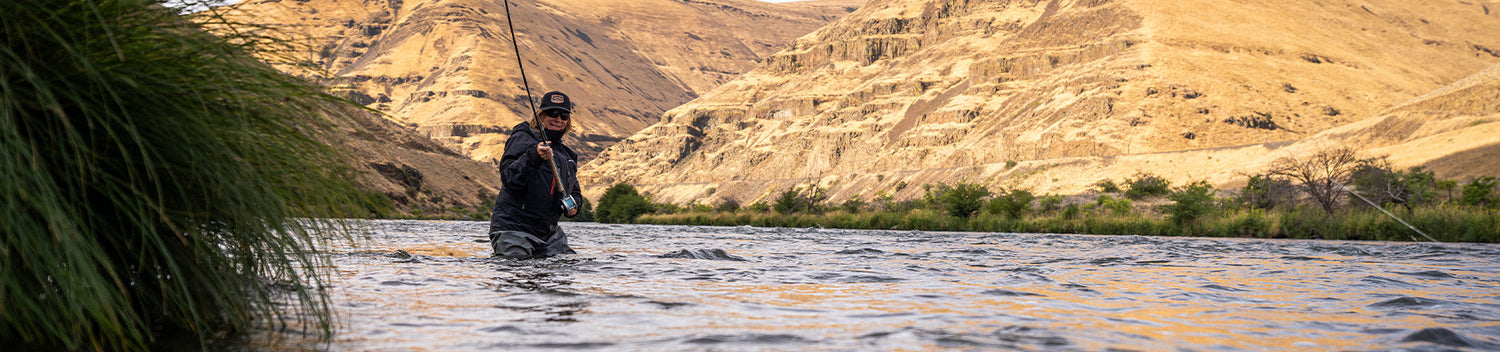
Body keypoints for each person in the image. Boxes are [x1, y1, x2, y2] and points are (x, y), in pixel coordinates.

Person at [489, 91, 583, 258]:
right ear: (540, 115)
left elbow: (574, 192)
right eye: (553, 113)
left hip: (550, 234)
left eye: (564, 116)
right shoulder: (522, 139)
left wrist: (575, 206)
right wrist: (534, 155)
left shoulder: (567, 156)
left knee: (569, 268)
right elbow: (509, 178)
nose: (558, 119)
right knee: (518, 274)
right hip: (514, 228)